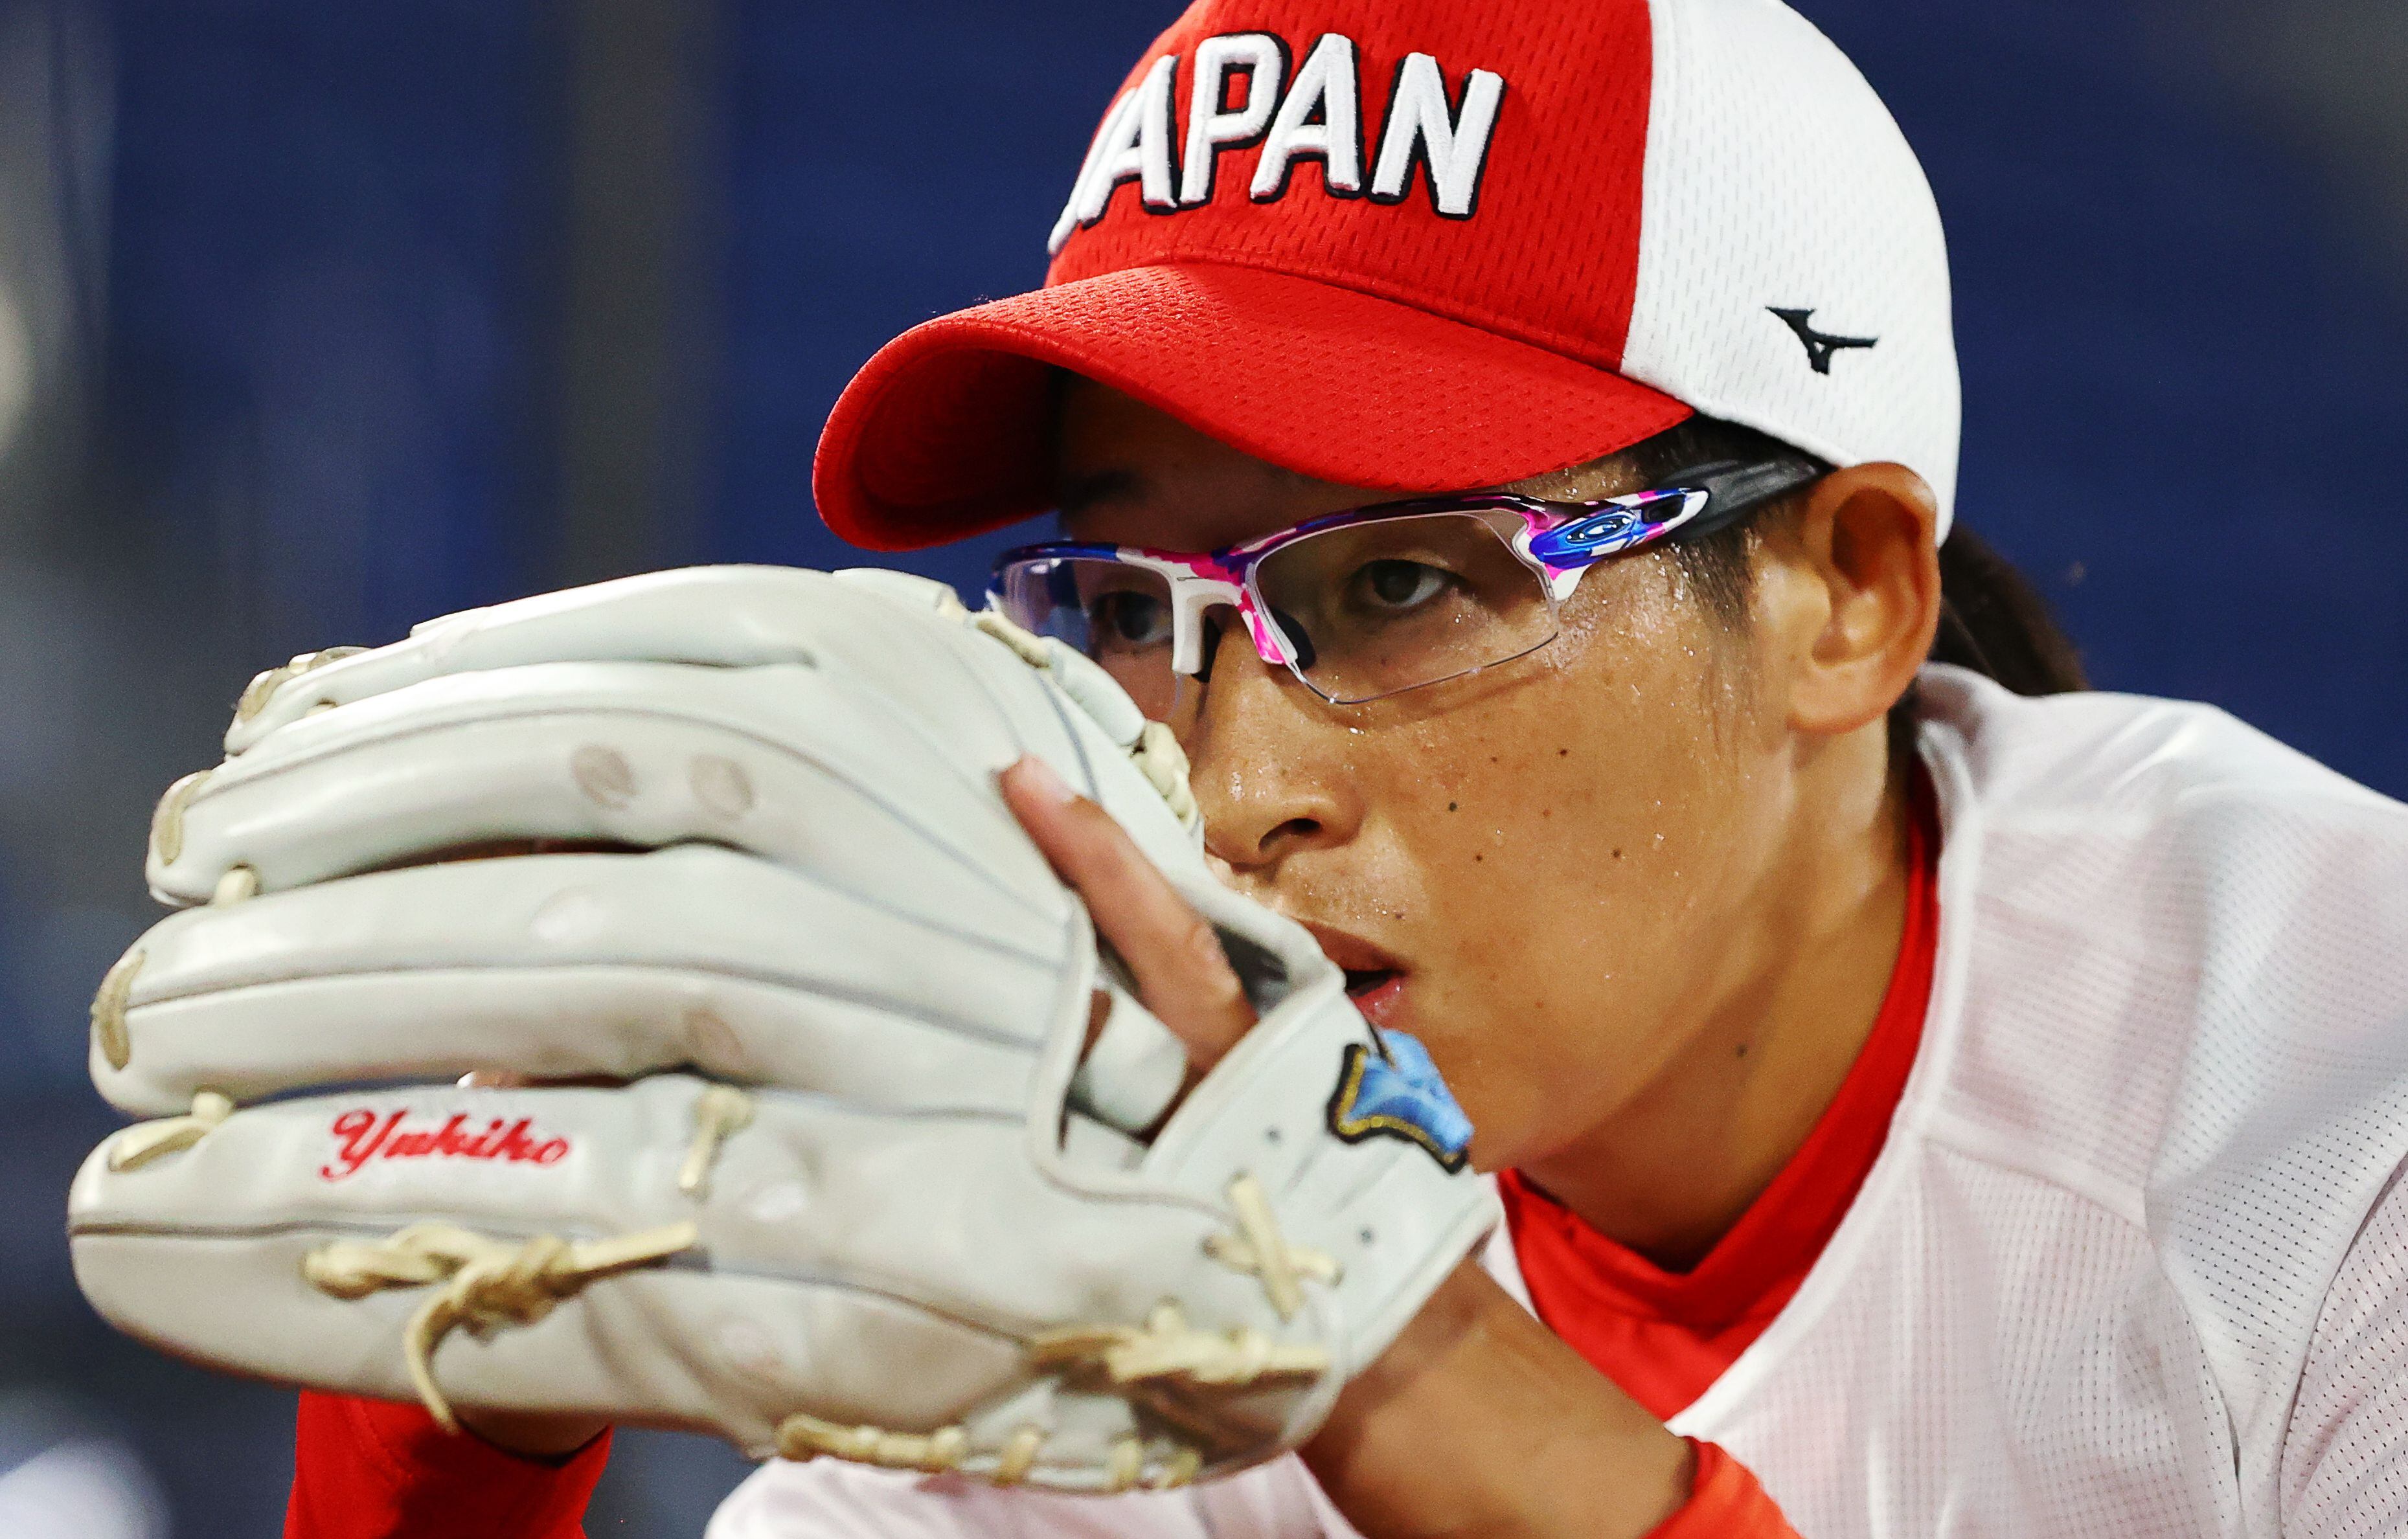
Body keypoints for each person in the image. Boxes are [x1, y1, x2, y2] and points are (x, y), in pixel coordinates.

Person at [284, 0, 2408, 1534]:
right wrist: (444, 1460)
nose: (1227, 793)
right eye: (1127, 606)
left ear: (1844, 592)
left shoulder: (2339, 1125)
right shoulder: (1109, 1128)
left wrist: (1430, 1393)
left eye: (1401, 581)